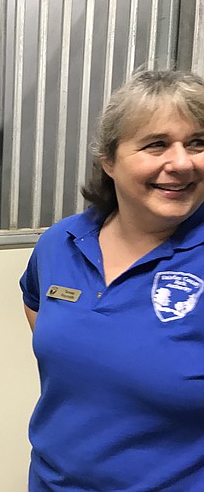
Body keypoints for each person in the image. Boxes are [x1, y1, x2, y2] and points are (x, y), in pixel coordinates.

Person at [20, 69, 204, 491]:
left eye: (198, 143)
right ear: (109, 161)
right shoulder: (61, 242)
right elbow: (35, 302)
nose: (181, 162)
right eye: (156, 144)